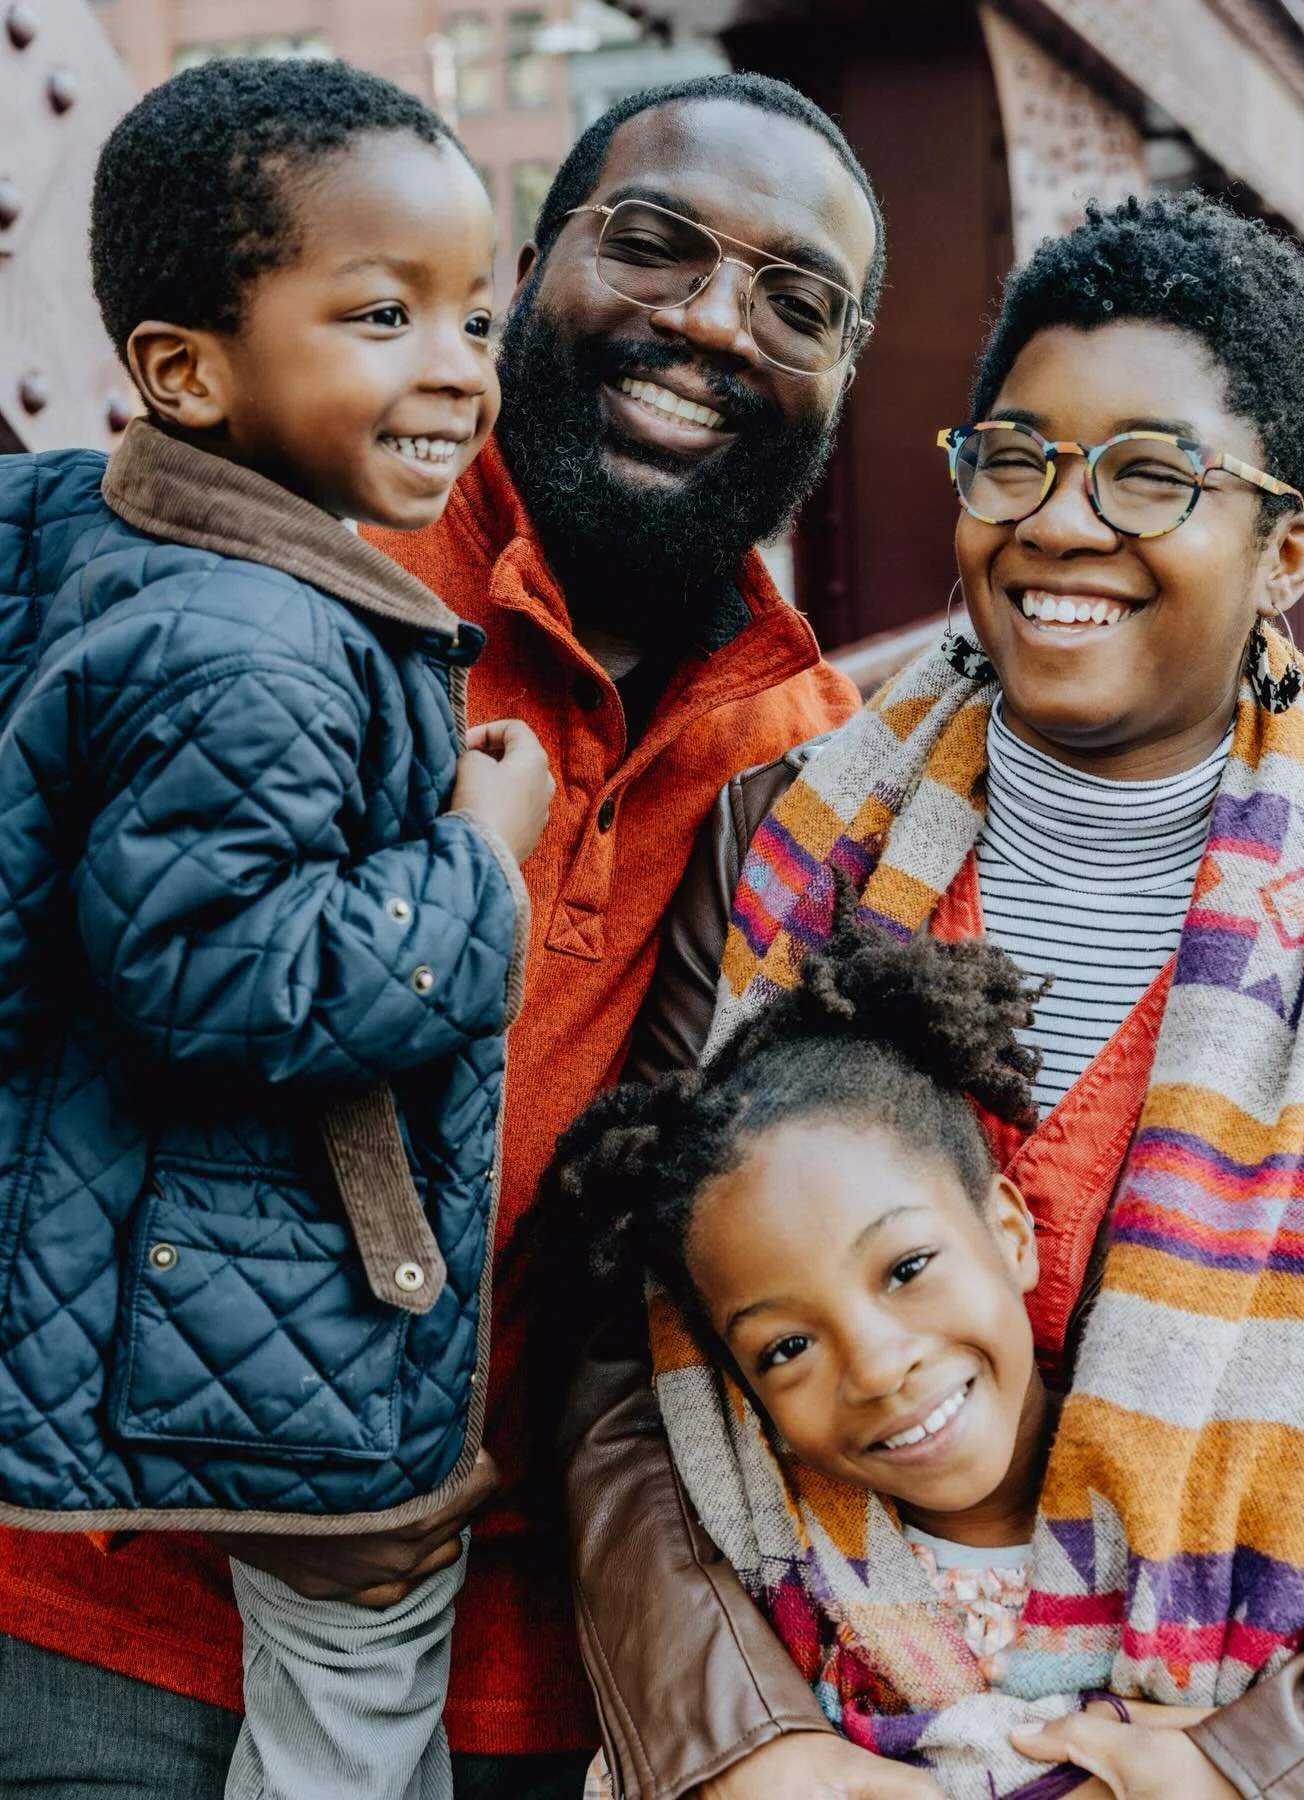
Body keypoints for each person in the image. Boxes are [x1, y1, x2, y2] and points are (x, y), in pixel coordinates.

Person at [0, 73, 874, 1800]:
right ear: (539, 259)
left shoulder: (828, 768)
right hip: (92, 1612)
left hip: (526, 1670)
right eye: (652, 246)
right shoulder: (265, 570)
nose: (711, 322)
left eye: (797, 303)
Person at [565, 192, 1304, 1800]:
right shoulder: (786, 835)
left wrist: (1259, 1773)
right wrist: (746, 1747)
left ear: (1292, 550)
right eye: (1017, 458)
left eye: (1153, 475)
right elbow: (634, 1342)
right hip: (825, 1726)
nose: (1057, 522)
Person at [0, 55, 555, 1800]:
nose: (457, 368)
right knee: (364, 1671)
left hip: (180, 1285)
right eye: (384, 313)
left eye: (478, 314)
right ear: (186, 368)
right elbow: (223, 969)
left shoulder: (136, 551)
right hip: (253, 1331)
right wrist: (481, 859)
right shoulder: (250, 637)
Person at [550, 910, 1293, 1800]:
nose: (875, 1366)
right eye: (787, 1346)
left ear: (1011, 1232)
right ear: (745, 1392)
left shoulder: (1232, 1540)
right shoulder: (766, 1630)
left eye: (905, 1268)